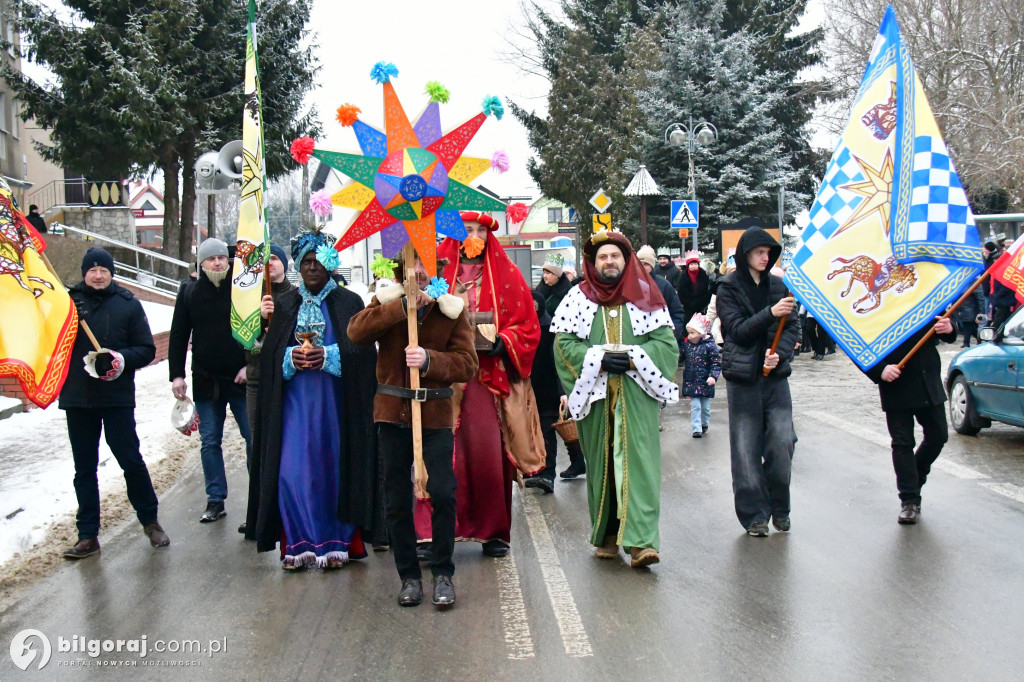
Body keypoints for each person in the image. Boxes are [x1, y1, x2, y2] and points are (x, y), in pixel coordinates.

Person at [348, 250, 477, 607]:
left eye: (424, 266)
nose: (417, 272)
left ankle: (443, 574)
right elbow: (356, 331)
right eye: (411, 265)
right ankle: (409, 576)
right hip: (392, 412)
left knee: (443, 492)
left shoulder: (449, 308)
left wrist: (430, 360)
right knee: (396, 498)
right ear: (399, 268)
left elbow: (468, 364)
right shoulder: (385, 301)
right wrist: (398, 306)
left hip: (434, 413)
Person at [244, 231, 378, 569]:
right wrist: (290, 358)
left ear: (331, 266)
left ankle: (336, 545)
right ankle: (297, 545)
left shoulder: (349, 302)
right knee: (291, 471)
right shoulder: (285, 305)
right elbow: (271, 355)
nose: (313, 268)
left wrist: (330, 357)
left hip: (336, 406)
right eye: (306, 262)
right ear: (298, 268)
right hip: (294, 407)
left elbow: (363, 356)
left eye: (319, 262)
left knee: (334, 470)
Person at [415, 211, 544, 559]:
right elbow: (417, 318)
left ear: (489, 237)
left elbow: (528, 326)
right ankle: (430, 534)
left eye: (479, 231)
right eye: (466, 230)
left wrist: (505, 340)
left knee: (487, 454)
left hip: (485, 382)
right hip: (443, 379)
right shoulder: (436, 271)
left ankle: (493, 532)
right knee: (438, 455)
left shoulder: (508, 275)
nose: (473, 236)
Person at [552, 231, 679, 567]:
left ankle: (641, 542)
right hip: (596, 398)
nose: (609, 261)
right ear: (593, 263)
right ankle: (607, 535)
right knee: (601, 464)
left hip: (637, 397)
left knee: (640, 465)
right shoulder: (576, 298)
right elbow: (563, 346)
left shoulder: (646, 295)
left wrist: (635, 356)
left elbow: (667, 346)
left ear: (627, 260)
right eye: (603, 257)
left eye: (615, 256)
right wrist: (599, 359)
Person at [60, 248, 167, 558]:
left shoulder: (127, 305)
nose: (97, 275)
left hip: (116, 397)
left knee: (130, 460)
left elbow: (146, 349)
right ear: (84, 273)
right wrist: (66, 319)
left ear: (111, 273)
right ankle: (88, 535)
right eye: (92, 270)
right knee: (84, 469)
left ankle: (151, 521)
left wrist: (121, 359)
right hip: (78, 398)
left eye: (103, 270)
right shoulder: (68, 305)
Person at [716, 227, 799, 537]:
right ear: (745, 253)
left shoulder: (779, 287)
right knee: (745, 450)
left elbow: (792, 327)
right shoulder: (728, 287)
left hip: (775, 379)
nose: (766, 257)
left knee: (782, 441)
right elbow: (737, 329)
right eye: (759, 252)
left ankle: (780, 506)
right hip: (743, 380)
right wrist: (769, 313)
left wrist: (781, 353)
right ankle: (755, 515)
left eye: (769, 252)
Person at [168, 237, 251, 523]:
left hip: (240, 379)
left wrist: (250, 366)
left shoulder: (240, 290)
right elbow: (178, 335)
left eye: (221, 258)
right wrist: (176, 375)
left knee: (253, 437)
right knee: (209, 441)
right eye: (211, 259)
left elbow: (256, 329)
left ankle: (260, 497)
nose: (218, 262)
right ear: (201, 263)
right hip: (206, 381)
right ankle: (216, 499)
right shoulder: (189, 293)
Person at [864, 317, 956, 524]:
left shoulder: (924, 293)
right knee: (903, 443)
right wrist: (879, 370)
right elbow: (855, 345)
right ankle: (909, 500)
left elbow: (946, 329)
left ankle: (915, 476)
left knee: (938, 436)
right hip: (895, 381)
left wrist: (949, 329)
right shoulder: (876, 303)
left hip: (927, 380)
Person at [236, 243, 295, 536]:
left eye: (275, 258)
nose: (270, 263)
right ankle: (259, 510)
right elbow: (243, 342)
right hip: (258, 381)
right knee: (257, 444)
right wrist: (257, 318)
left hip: (289, 381)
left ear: (284, 264)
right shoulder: (249, 297)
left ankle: (290, 506)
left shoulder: (297, 295)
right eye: (266, 259)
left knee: (290, 444)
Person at [536, 257, 586, 479]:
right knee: (558, 420)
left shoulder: (568, 294)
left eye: (549, 272)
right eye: (544, 272)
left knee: (565, 419)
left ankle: (577, 460)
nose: (545, 276)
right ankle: (569, 463)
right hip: (545, 362)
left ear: (558, 275)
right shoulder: (540, 293)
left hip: (565, 348)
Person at [636, 245, 686, 355]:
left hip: (659, 342)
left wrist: (671, 335)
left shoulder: (663, 285)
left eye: (646, 264)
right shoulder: (630, 285)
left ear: (652, 265)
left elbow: (677, 312)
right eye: (640, 264)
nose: (642, 267)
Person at [680, 313, 721, 438]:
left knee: (705, 407)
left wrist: (713, 376)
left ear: (701, 333)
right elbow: (680, 355)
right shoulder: (687, 346)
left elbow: (716, 362)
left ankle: (704, 423)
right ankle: (696, 429)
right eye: (689, 333)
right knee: (695, 406)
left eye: (693, 333)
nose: (690, 336)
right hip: (692, 382)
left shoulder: (709, 346)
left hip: (705, 382)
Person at [676, 249, 712, 322]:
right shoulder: (683, 276)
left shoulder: (704, 275)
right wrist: (688, 303)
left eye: (695, 264)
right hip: (688, 307)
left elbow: (707, 292)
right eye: (691, 264)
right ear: (688, 265)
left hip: (701, 307)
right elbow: (681, 292)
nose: (693, 266)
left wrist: (701, 304)